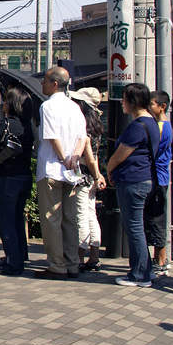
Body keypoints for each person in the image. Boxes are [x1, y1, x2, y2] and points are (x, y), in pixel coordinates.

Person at [34, 66, 88, 280]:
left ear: (55, 83)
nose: (42, 84)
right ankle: (73, 262)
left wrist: (64, 157)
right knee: (70, 219)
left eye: (45, 80)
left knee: (51, 219)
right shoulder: (75, 107)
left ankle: (57, 265)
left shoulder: (47, 106)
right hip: (72, 171)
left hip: (52, 168)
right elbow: (82, 137)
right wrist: (74, 157)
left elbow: (52, 136)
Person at [106, 82, 161, 288]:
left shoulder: (137, 126)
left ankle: (139, 274)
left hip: (133, 180)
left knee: (134, 227)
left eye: (124, 99)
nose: (121, 103)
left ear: (132, 101)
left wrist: (109, 168)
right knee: (137, 227)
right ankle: (145, 270)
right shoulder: (152, 123)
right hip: (142, 179)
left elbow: (120, 155)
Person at [0, 86, 34, 276]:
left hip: (6, 179)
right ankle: (20, 255)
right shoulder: (28, 127)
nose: (3, 104)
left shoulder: (5, 124)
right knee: (18, 218)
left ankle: (13, 262)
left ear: (11, 104)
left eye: (5, 100)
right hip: (24, 176)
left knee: (6, 221)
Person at [67, 87, 107, 272]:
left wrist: (96, 174)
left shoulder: (83, 127)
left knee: (81, 216)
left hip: (81, 177)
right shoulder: (97, 125)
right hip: (90, 177)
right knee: (92, 215)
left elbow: (89, 157)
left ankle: (79, 258)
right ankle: (94, 256)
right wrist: (98, 175)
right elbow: (96, 158)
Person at [144, 90, 173, 276]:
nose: (149, 107)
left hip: (158, 177)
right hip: (159, 177)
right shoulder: (162, 125)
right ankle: (160, 258)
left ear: (162, 106)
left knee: (156, 219)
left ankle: (160, 259)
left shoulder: (161, 127)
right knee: (155, 218)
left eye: (152, 104)